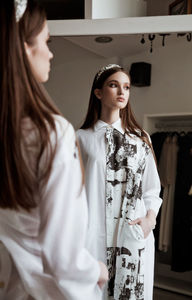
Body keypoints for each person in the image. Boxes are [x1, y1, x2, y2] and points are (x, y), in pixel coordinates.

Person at [0, 1, 108, 299]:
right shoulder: (51, 132)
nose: (50, 53)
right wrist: (96, 269)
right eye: (46, 41)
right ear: (23, 47)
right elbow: (62, 253)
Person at [77, 64, 162, 300]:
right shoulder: (80, 138)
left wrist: (148, 220)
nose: (121, 92)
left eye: (126, 87)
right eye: (113, 85)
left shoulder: (141, 139)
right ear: (98, 93)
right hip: (93, 234)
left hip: (133, 234)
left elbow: (152, 188)